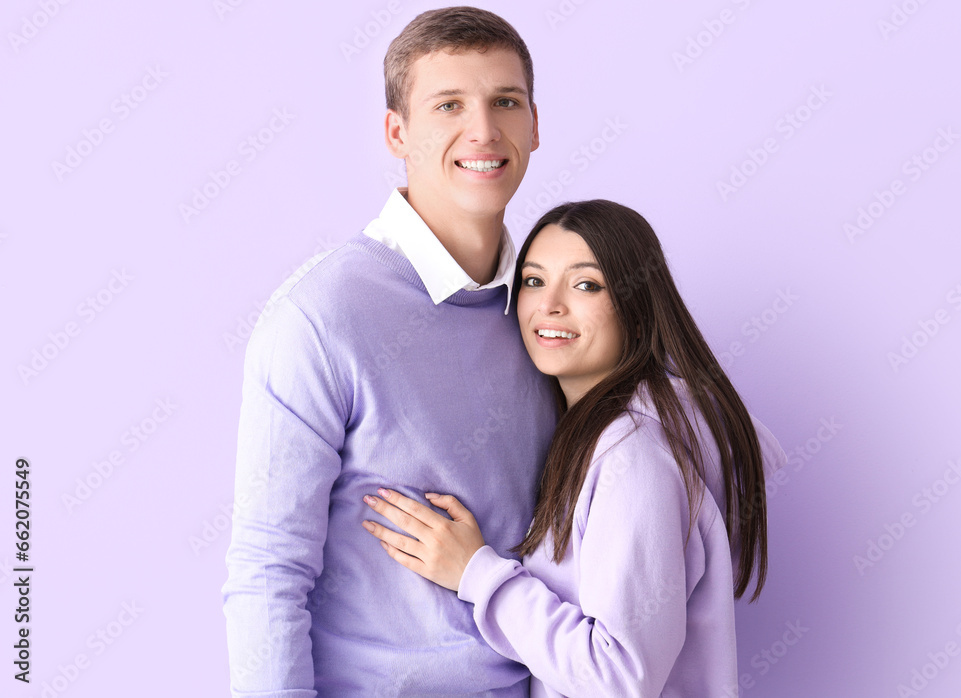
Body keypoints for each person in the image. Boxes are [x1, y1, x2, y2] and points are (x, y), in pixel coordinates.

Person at [221, 8, 558, 697]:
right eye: (449, 105)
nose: (484, 131)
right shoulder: (321, 317)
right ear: (396, 132)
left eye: (505, 102)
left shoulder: (549, 316)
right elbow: (266, 574)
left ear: (534, 125)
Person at [361, 200, 788, 697]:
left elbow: (619, 678)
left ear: (636, 303)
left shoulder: (634, 458)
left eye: (586, 284)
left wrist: (477, 574)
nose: (550, 305)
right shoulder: (594, 436)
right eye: (534, 281)